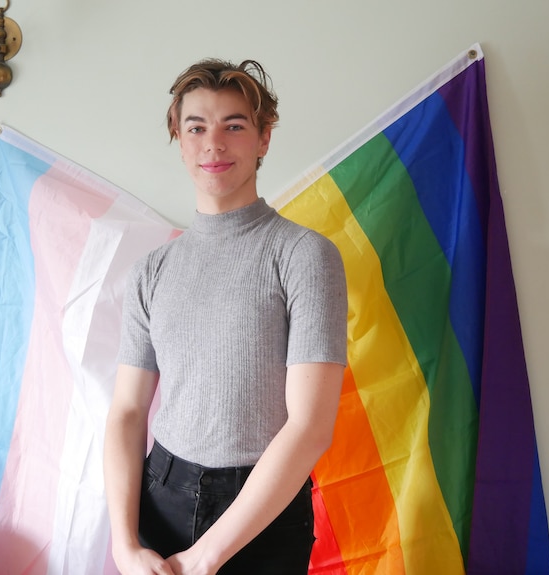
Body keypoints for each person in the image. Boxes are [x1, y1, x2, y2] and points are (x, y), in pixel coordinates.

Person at [103, 58, 348, 575]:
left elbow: (310, 427)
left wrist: (205, 558)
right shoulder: (151, 270)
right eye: (197, 126)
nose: (214, 143)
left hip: (264, 507)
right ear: (179, 136)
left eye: (234, 125)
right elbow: (127, 411)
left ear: (263, 138)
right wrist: (124, 545)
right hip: (161, 496)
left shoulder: (306, 256)